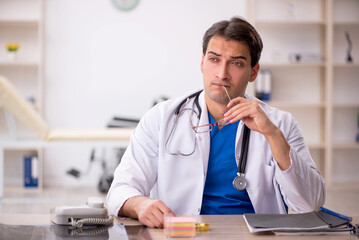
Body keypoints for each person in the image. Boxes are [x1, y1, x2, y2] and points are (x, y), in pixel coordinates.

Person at [107, 16, 325, 228]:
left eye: (236, 63)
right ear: (202, 63)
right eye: (214, 59)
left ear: (253, 72)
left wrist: (272, 135)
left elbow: (310, 204)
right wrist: (138, 204)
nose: (222, 74)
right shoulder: (161, 118)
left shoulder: (280, 124)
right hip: (184, 235)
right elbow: (120, 189)